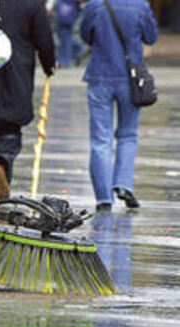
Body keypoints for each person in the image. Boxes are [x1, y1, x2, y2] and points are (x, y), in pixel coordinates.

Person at [0, 0, 56, 202]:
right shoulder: (32, 4)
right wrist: (49, 64)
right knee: (9, 131)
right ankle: (1, 163)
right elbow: (44, 38)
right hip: (16, 75)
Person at [80, 0, 158, 212]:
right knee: (128, 134)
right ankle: (123, 185)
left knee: (100, 138)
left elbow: (85, 35)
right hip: (130, 79)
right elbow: (151, 37)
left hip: (99, 77)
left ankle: (103, 197)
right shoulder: (141, 5)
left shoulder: (95, 5)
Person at [55, 0, 84, 67]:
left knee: (65, 37)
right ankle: (78, 50)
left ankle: (64, 60)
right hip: (66, 11)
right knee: (65, 37)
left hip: (67, 12)